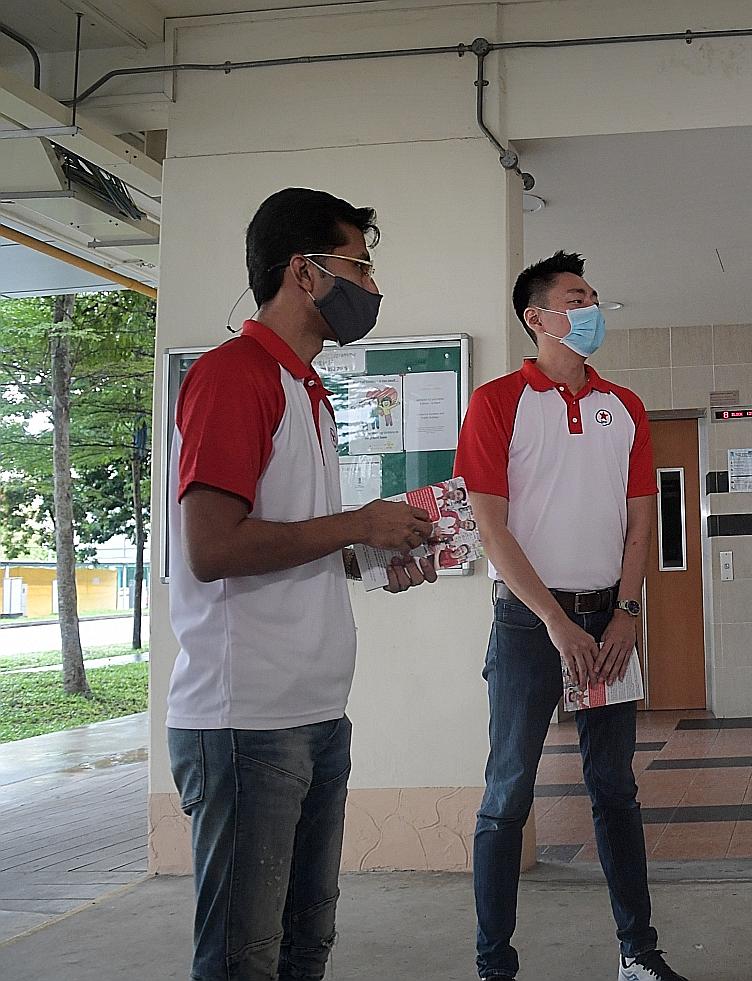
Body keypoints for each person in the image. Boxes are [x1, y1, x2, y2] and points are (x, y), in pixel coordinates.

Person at [167, 187, 438, 981]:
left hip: (316, 712)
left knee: (303, 947)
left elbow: (289, 535)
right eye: (360, 264)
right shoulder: (232, 376)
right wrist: (356, 524)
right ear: (305, 273)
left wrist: (375, 553)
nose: (373, 286)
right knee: (241, 958)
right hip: (246, 720)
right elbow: (213, 547)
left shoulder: (309, 391)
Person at [454, 251, 689, 981]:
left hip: (606, 621)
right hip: (531, 625)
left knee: (615, 790)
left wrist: (625, 612)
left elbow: (641, 518)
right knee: (507, 793)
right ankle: (495, 965)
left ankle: (638, 955)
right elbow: (490, 525)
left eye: (594, 296)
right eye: (576, 296)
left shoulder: (626, 406)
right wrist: (556, 622)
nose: (592, 308)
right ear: (537, 317)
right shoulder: (496, 403)